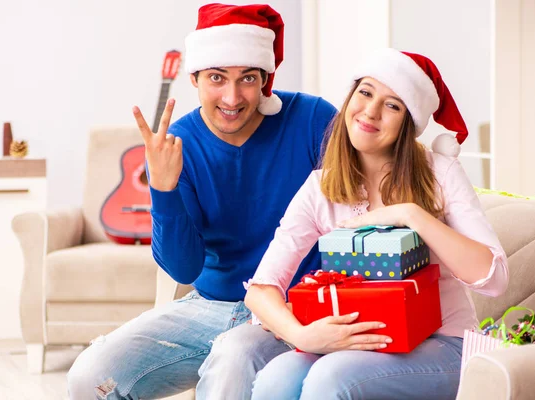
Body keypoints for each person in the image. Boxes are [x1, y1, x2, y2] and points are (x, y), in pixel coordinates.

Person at [202, 48, 510, 399]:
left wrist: (411, 214)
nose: (371, 112)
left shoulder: (441, 173)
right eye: (365, 93)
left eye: (393, 105)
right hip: (356, 343)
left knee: (332, 376)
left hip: (441, 343)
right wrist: (302, 336)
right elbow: (262, 289)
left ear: (408, 121)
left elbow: (494, 278)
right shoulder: (322, 186)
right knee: (278, 377)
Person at [66, 3, 337, 400]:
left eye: (247, 78)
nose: (232, 96)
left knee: (232, 360)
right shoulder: (177, 144)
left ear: (265, 79)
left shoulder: (313, 119)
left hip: (294, 307)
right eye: (216, 78)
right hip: (211, 306)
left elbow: (355, 214)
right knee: (89, 378)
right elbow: (183, 267)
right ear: (194, 78)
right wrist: (163, 187)